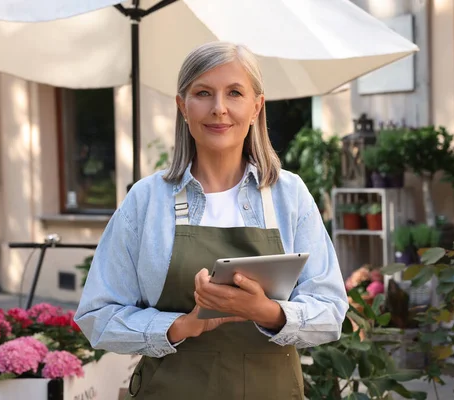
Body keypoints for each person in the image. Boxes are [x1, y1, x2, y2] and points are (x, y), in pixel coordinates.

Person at [74, 41, 348, 400]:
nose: (219, 109)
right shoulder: (146, 200)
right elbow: (98, 316)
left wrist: (265, 311)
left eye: (235, 93)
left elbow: (330, 312)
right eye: (203, 93)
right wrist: (181, 325)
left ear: (256, 107)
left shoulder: (289, 195)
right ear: (182, 106)